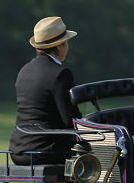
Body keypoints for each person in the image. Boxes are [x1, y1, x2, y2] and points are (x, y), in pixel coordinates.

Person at [8, 16, 82, 165]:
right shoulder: (60, 73)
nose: (68, 47)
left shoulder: (24, 70)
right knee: (96, 147)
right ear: (59, 46)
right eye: (66, 43)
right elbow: (70, 119)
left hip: (18, 150)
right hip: (45, 150)